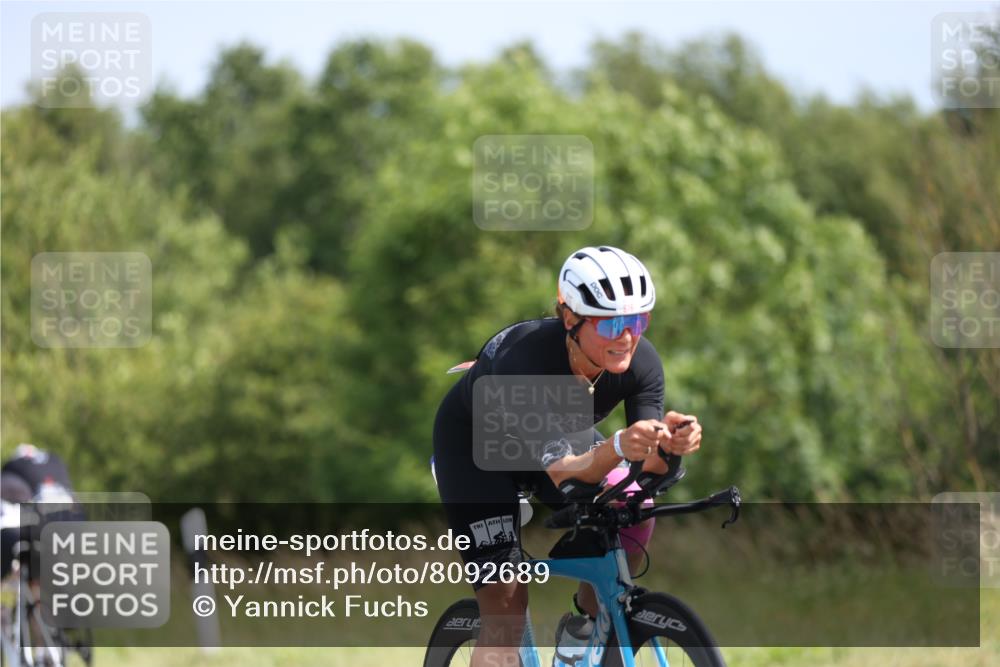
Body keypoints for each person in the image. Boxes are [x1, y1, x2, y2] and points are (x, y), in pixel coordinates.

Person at [432, 246, 703, 666]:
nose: (626, 336)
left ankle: (583, 629)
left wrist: (669, 447)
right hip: (476, 453)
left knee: (634, 507)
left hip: (555, 439)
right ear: (569, 319)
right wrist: (616, 445)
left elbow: (646, 472)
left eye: (637, 320)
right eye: (611, 323)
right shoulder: (522, 361)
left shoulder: (642, 363)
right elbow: (565, 474)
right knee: (505, 608)